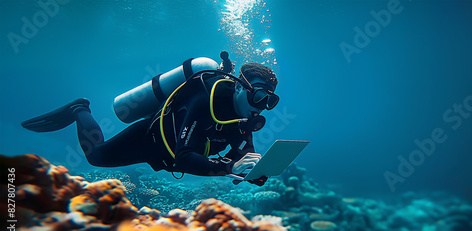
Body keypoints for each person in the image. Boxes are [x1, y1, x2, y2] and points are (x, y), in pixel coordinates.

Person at [22, 58, 279, 186]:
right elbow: (185, 157)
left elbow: (244, 150)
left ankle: (79, 109)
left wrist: (252, 169)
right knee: (96, 156)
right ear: (239, 88)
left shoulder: (245, 117)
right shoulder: (205, 100)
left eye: (269, 101)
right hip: (151, 139)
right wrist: (228, 168)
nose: (261, 107)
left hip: (171, 153)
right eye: (258, 96)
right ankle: (80, 108)